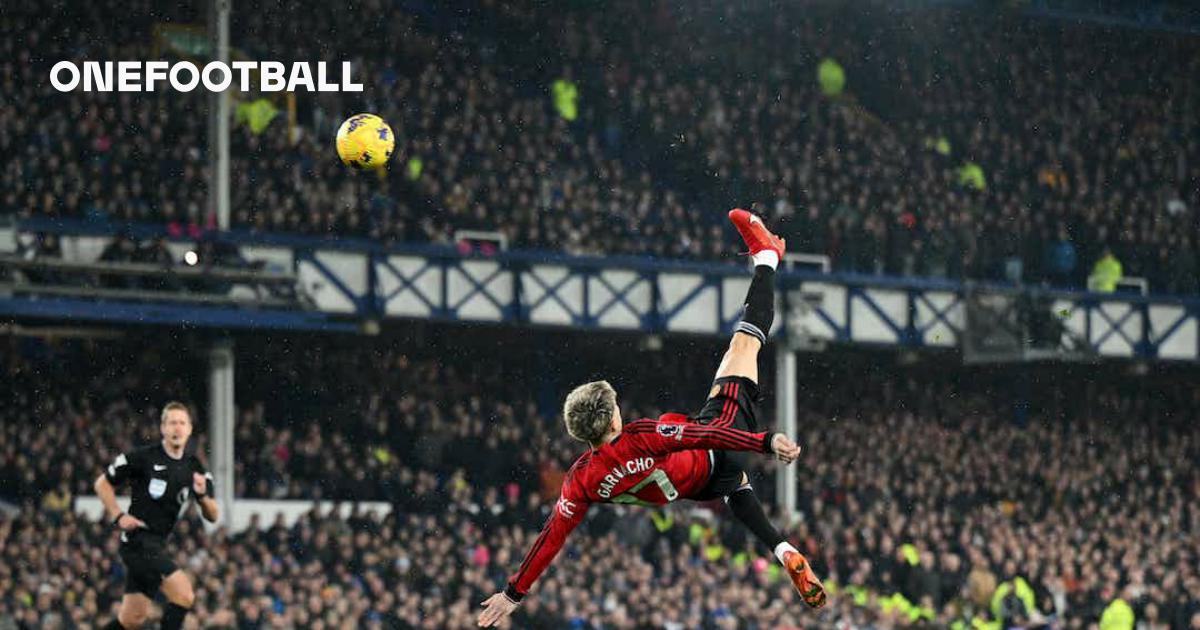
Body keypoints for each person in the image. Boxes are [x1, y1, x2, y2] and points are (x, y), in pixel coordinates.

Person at [478, 209, 826, 627]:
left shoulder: (582, 479)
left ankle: (781, 549)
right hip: (720, 446)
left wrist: (514, 592)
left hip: (700, 487)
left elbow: (551, 538)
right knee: (744, 345)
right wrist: (766, 442)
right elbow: (705, 431)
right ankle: (767, 257)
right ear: (611, 423)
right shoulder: (643, 435)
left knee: (736, 486)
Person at [94, 402, 219, 630]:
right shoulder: (143, 457)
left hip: (156, 545)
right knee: (184, 595)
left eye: (182, 423)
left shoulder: (195, 466)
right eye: (172, 422)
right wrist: (118, 516)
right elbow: (102, 483)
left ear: (190, 429)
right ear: (163, 428)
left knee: (132, 620)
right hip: (137, 542)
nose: (177, 428)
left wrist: (202, 497)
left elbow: (213, 515)